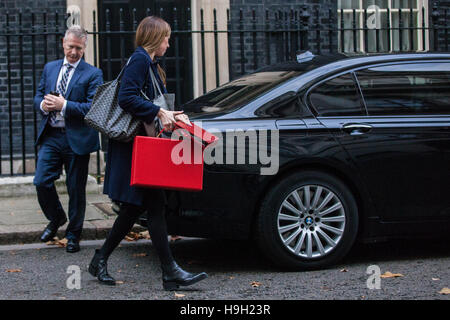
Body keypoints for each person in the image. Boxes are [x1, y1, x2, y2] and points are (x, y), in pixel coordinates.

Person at [89, 16, 208, 290]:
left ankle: (102, 259)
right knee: (153, 205)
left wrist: (173, 114)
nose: (169, 42)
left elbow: (153, 103)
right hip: (136, 147)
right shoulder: (140, 60)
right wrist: (158, 111)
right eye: (166, 37)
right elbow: (126, 98)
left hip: (144, 146)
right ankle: (170, 272)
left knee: (136, 207)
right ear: (155, 38)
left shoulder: (151, 65)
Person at [33, 25, 103, 253]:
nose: (74, 52)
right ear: (64, 43)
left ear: (84, 48)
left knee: (76, 189)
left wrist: (64, 105)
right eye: (71, 47)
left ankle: (73, 235)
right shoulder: (50, 68)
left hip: (77, 138)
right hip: (52, 135)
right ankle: (56, 218)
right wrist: (43, 105)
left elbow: (93, 107)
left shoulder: (93, 73)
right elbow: (38, 96)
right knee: (41, 181)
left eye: (79, 49)